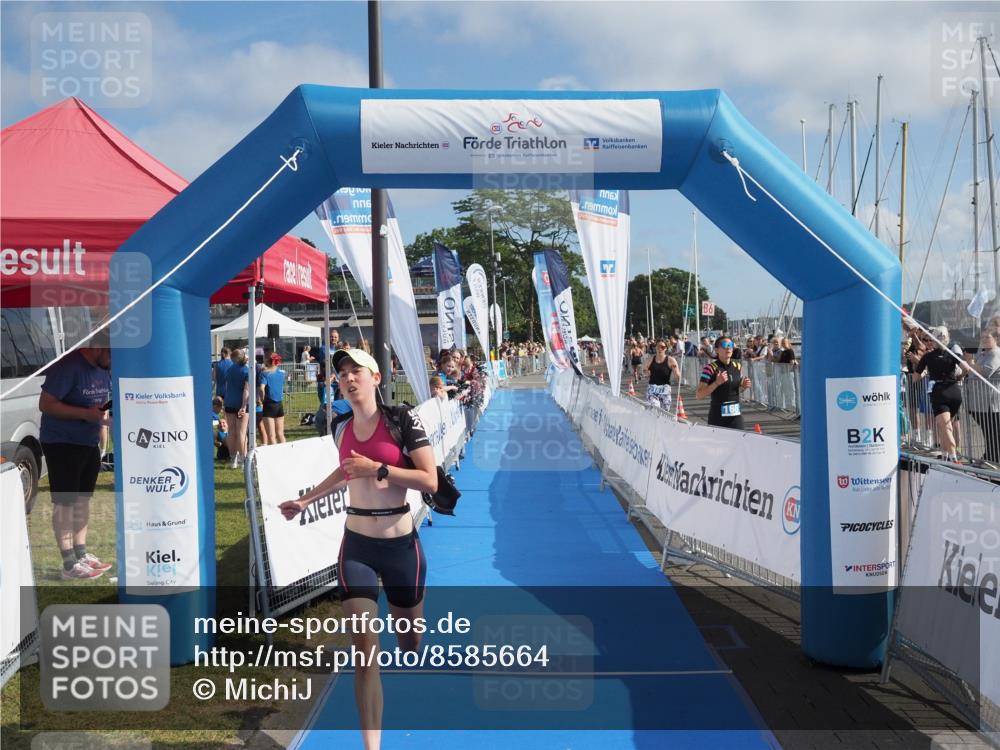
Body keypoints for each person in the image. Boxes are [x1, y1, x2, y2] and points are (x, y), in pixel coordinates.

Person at [279, 349, 437, 750]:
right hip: (357, 547)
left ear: (376, 378)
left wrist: (380, 469)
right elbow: (345, 470)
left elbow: (430, 480)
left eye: (356, 372)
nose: (348, 379)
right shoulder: (339, 426)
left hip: (401, 545)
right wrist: (306, 500)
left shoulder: (402, 419)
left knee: (410, 641)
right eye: (342, 374)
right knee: (365, 649)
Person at [39, 336, 114, 580]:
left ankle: (81, 554)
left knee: (82, 500)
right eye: (113, 356)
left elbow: (99, 406)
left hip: (88, 442)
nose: (114, 364)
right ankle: (69, 564)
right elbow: (46, 404)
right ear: (101, 347)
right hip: (61, 442)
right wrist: (86, 414)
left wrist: (104, 418)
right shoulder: (68, 366)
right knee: (65, 502)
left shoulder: (102, 368)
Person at [914, 326, 970, 462]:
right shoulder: (953, 354)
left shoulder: (927, 357)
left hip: (939, 392)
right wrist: (959, 377)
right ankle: (945, 455)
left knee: (945, 427)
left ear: (933, 340)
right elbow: (966, 368)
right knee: (946, 425)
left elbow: (915, 378)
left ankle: (953, 458)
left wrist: (925, 373)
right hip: (954, 391)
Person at [696, 335, 752, 429]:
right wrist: (716, 383)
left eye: (730, 345)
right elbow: (699, 395)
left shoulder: (737, 366)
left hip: (736, 417)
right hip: (718, 418)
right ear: (717, 350)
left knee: (740, 443)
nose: (728, 347)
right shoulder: (710, 369)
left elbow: (734, 390)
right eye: (725, 345)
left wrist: (743, 386)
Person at [966, 331, 1000, 465]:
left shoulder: (995, 353)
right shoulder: (982, 352)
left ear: (996, 339)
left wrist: (970, 362)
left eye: (987, 337)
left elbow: (985, 371)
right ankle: (990, 456)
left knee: (993, 431)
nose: (984, 340)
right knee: (988, 432)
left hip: (991, 404)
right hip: (979, 402)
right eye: (982, 337)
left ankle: (993, 458)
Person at [223, 348, 252, 468]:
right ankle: (244, 460)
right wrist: (244, 406)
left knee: (231, 432)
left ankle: (233, 459)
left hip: (229, 402)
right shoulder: (247, 371)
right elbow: (246, 390)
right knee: (241, 433)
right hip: (240, 404)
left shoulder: (230, 369)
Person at [645, 339, 681, 412]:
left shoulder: (671, 360)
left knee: (665, 412)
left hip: (665, 389)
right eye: (658, 346)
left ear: (666, 349)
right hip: (652, 389)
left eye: (662, 347)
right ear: (656, 347)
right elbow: (645, 370)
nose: (660, 349)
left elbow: (677, 374)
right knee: (655, 407)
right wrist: (646, 372)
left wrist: (678, 376)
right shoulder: (650, 359)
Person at [259, 353, 287, 445]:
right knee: (280, 433)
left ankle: (274, 457)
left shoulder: (265, 374)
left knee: (271, 435)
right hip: (279, 404)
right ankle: (285, 453)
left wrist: (262, 400)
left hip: (269, 404)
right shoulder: (282, 373)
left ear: (268, 361)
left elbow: (262, 389)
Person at [211, 396, 230, 461]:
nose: (220, 410)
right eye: (220, 408)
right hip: (219, 436)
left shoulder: (213, 415)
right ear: (216, 406)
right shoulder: (214, 416)